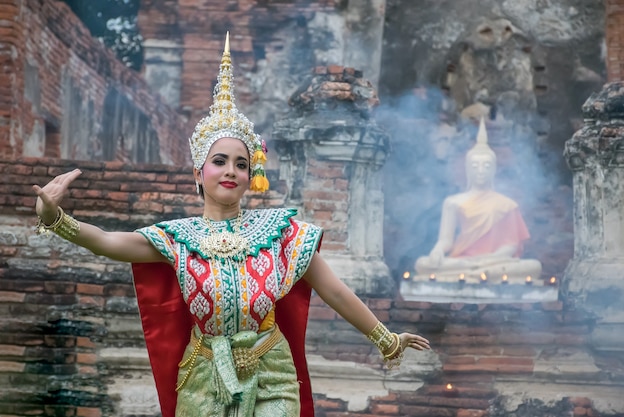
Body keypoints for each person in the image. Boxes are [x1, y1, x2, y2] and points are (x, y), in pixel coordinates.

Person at [32, 33, 430, 417]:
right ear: (198, 172)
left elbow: (337, 292)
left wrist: (386, 339)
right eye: (219, 161)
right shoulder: (178, 238)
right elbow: (107, 242)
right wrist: (56, 218)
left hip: (271, 370)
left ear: (252, 176)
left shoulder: (281, 233)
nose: (231, 171)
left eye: (242, 164)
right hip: (203, 374)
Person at [415, 118, 541, 284]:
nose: (481, 171)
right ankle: (477, 273)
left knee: (533, 266)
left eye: (486, 166)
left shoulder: (507, 205)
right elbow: (445, 240)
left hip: (493, 262)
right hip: (460, 261)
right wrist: (437, 251)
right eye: (475, 166)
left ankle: (476, 273)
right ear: (467, 169)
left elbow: (510, 247)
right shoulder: (453, 202)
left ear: (494, 170)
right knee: (422, 264)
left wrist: (485, 260)